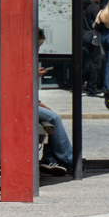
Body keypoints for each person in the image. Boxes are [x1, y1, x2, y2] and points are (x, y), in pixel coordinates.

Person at [36, 29, 73, 176]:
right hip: (19, 105)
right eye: (37, 46)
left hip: (27, 102)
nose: (38, 49)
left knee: (50, 119)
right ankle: (69, 160)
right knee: (54, 118)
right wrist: (34, 75)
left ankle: (49, 159)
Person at [96, 0, 109, 111]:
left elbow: (96, 26)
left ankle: (108, 87)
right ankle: (108, 87)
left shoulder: (102, 12)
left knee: (108, 61)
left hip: (104, 37)